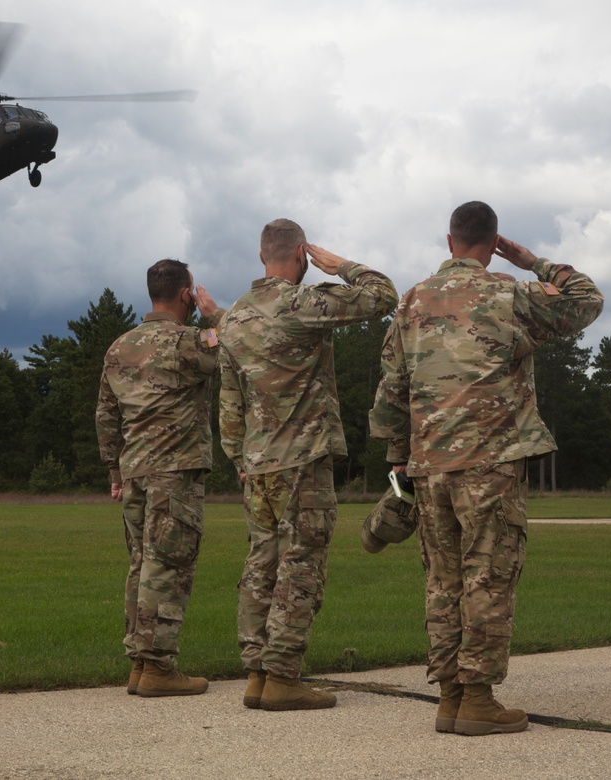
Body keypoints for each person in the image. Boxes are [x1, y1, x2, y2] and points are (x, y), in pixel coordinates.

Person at [369, 201, 604, 735]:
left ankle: (450, 697)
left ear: (449, 241)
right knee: (488, 576)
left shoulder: (411, 302)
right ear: (494, 242)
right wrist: (534, 262)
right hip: (489, 464)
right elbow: (587, 300)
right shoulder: (511, 292)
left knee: (443, 580)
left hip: (429, 467)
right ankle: (477, 700)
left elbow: (390, 393)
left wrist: (398, 462)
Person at [218, 218, 399, 711]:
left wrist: (240, 457)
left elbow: (230, 405)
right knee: (302, 565)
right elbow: (383, 295)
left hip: (256, 464)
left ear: (261, 257)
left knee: (261, 562)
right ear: (300, 255)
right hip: (302, 459)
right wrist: (342, 266)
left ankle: (257, 672)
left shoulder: (232, 318)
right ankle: (282, 677)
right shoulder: (301, 303)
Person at [95, 258, 223, 697]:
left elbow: (106, 416)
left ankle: (139, 662)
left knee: (140, 565)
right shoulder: (192, 341)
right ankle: (158, 668)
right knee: (167, 567)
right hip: (176, 473)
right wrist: (214, 314)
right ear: (186, 294)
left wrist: (115, 470)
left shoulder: (119, 347)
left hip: (134, 473)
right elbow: (241, 347)